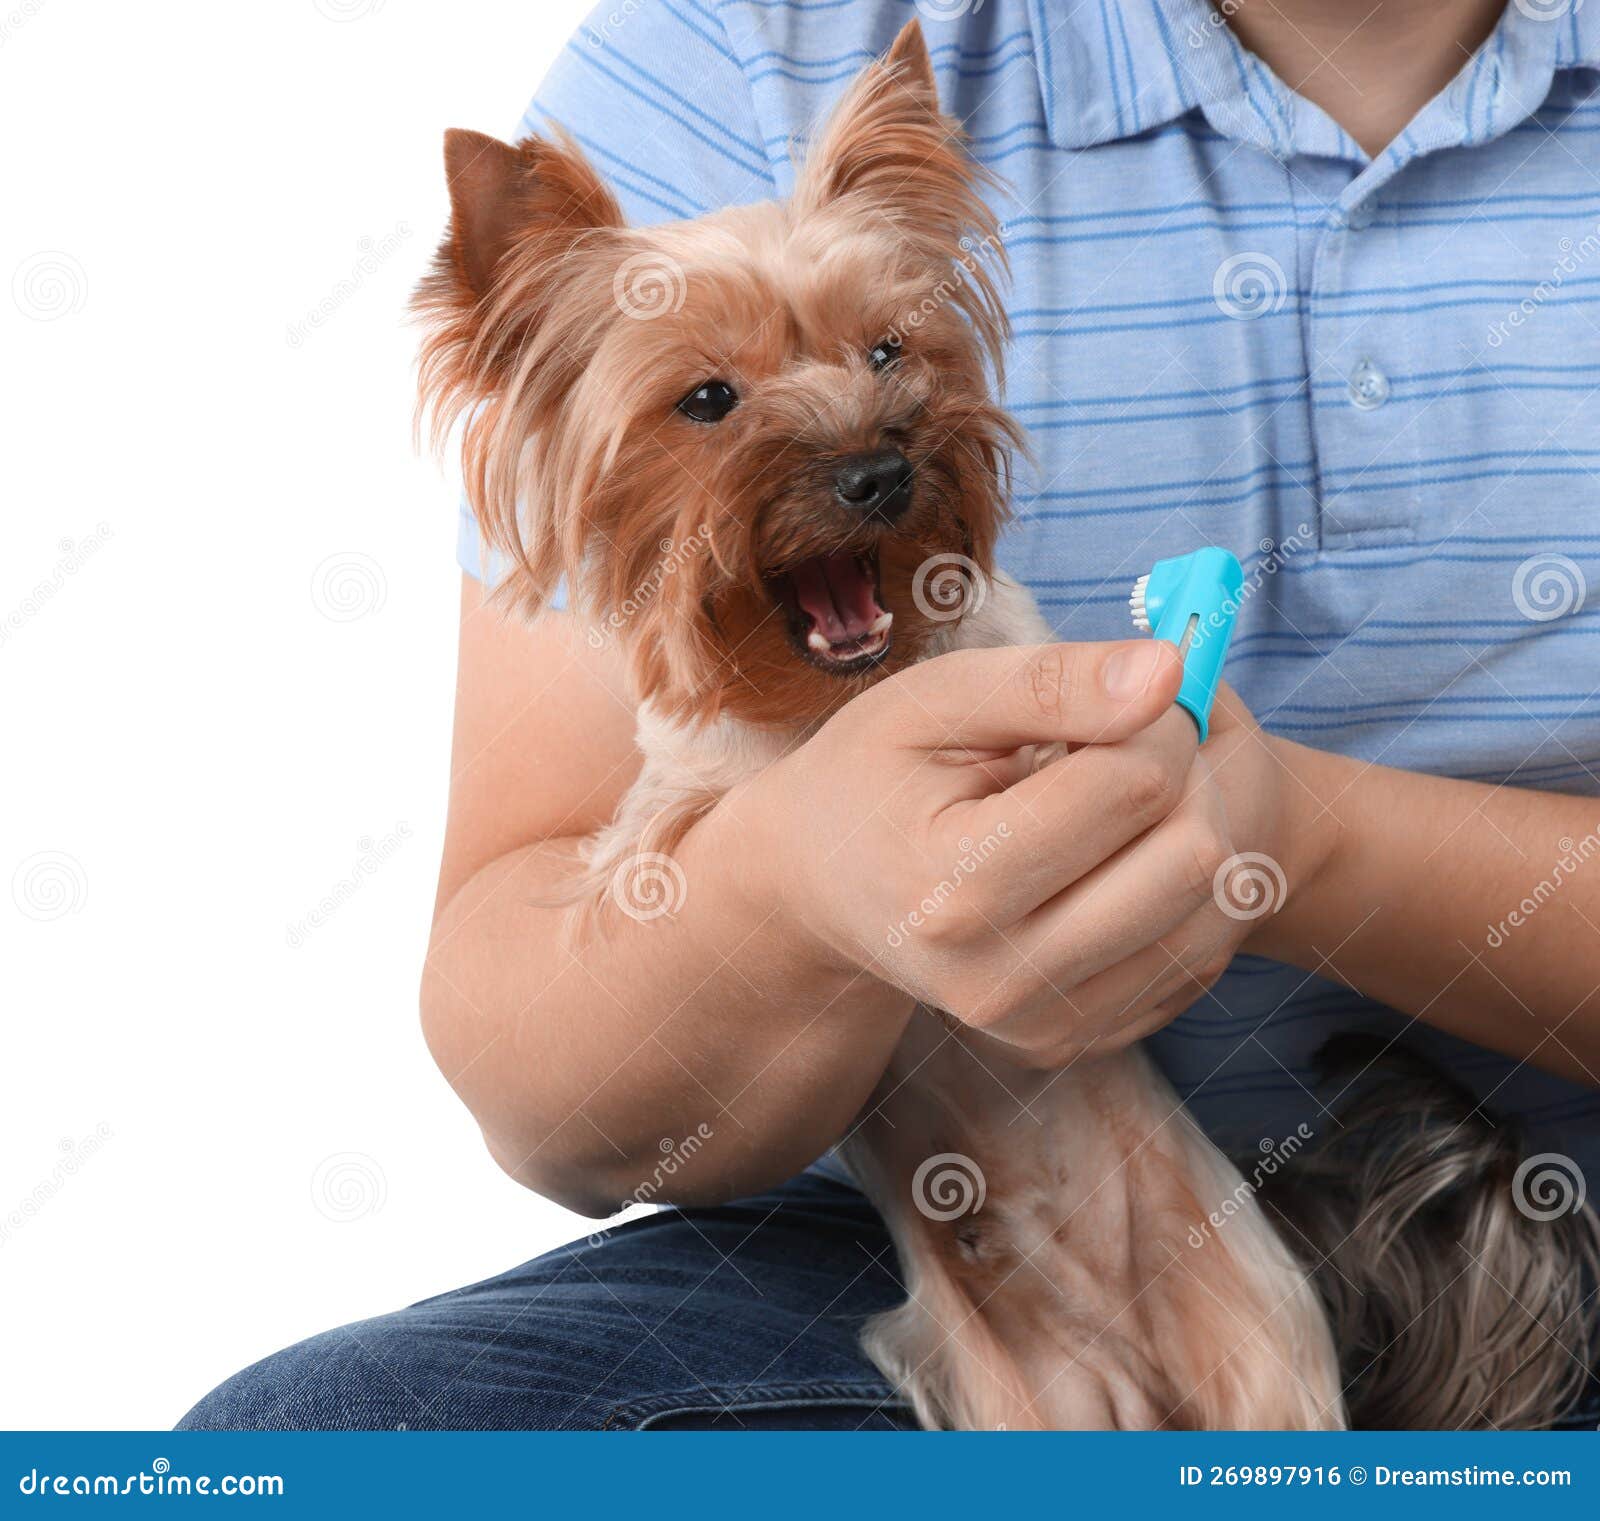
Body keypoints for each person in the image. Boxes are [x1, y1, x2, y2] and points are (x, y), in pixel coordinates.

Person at [181, 0, 1600, 1431]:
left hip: (1552, 1185)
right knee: (322, 1438)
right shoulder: (734, 48)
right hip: (883, 1246)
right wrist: (795, 891)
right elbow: (549, 1086)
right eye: (715, 397)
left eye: (885, 359)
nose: (858, 442)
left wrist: (1285, 844)